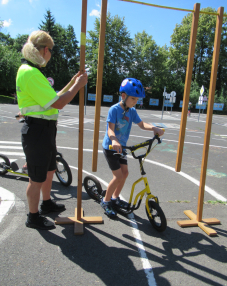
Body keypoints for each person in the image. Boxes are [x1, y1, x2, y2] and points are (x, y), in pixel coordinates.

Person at [16, 30, 88, 230]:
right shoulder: (30, 73)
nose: (50, 55)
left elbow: (53, 96)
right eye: (51, 51)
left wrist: (73, 83)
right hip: (37, 131)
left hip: (44, 130)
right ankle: (33, 216)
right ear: (45, 50)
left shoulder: (31, 71)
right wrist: (79, 86)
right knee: (36, 177)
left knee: (49, 170)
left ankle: (46, 204)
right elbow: (59, 103)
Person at [101, 78, 164, 218]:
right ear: (123, 96)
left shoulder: (132, 111)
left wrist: (154, 128)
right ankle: (105, 201)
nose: (136, 101)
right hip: (111, 147)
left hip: (121, 148)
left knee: (125, 173)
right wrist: (114, 140)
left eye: (137, 99)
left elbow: (141, 125)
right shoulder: (114, 110)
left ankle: (115, 198)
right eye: (134, 98)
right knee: (117, 176)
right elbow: (110, 130)